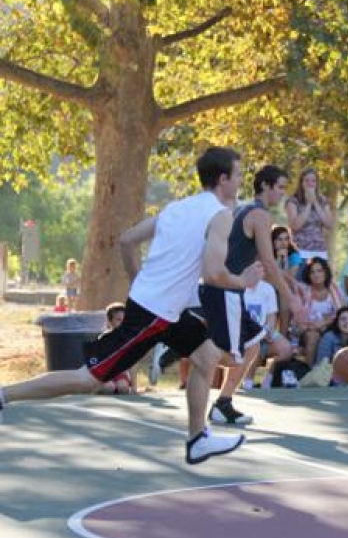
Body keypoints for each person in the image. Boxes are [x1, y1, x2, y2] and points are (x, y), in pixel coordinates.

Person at [0, 146, 261, 464]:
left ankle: (197, 438)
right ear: (223, 179)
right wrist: (243, 280)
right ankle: (4, 394)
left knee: (208, 358)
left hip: (162, 308)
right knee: (87, 379)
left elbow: (127, 240)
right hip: (155, 315)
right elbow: (214, 273)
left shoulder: (177, 207)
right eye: (238, 175)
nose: (240, 181)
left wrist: (138, 277)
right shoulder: (219, 216)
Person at [199, 165, 305, 425]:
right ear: (265, 186)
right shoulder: (259, 215)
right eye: (279, 187)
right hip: (224, 291)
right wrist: (290, 296)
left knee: (252, 346)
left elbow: (253, 257)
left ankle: (223, 403)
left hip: (226, 289)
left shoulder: (242, 209)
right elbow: (269, 262)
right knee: (234, 354)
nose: (282, 193)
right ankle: (183, 347)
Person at [296, 257, 345, 365]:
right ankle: (309, 373)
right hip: (307, 330)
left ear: (326, 272)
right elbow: (299, 320)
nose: (316, 275)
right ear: (308, 275)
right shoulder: (303, 291)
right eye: (312, 272)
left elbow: (342, 314)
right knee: (313, 336)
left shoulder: (335, 289)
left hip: (331, 328)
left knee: (332, 336)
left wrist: (324, 322)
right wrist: (321, 322)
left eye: (319, 271)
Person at [284, 167, 334, 261]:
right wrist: (309, 204)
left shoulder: (323, 201)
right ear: (301, 183)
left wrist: (315, 202)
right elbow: (295, 225)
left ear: (317, 183)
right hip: (300, 251)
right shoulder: (292, 201)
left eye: (313, 181)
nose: (310, 184)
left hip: (320, 252)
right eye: (306, 180)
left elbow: (329, 224)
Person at [96, 303, 132, 395]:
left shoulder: (129, 338)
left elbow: (132, 363)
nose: (122, 323)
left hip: (120, 373)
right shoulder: (104, 338)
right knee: (109, 387)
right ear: (110, 321)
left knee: (123, 387)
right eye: (118, 320)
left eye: (124, 320)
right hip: (105, 373)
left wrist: (134, 386)